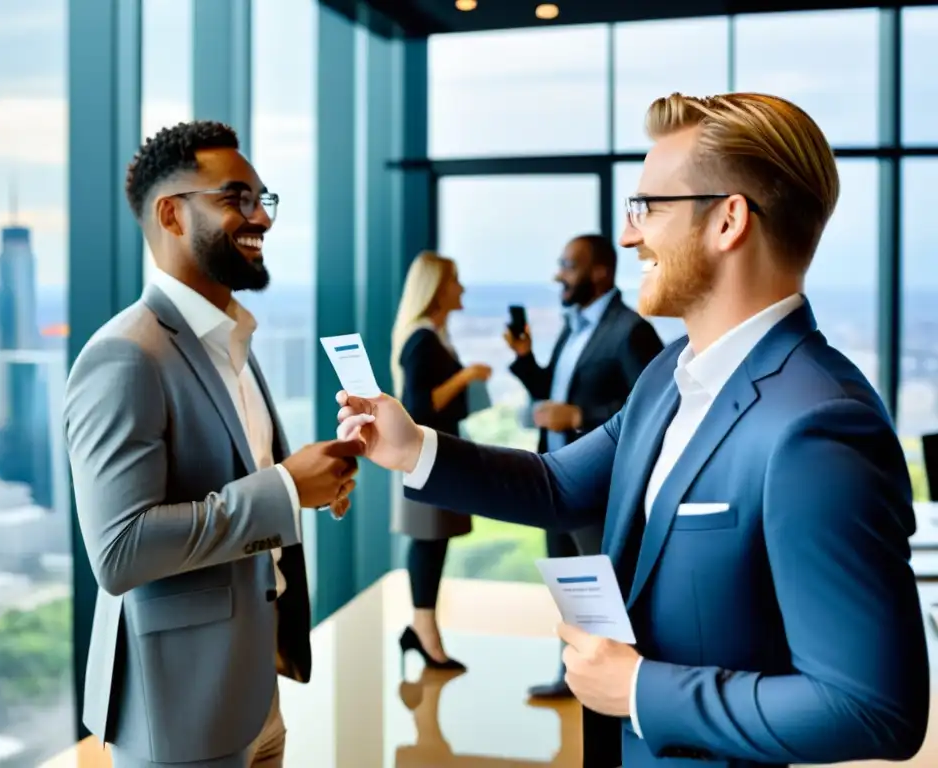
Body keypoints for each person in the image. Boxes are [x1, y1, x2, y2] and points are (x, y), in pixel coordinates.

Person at [336, 92, 930, 768]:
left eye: (648, 206)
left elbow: (873, 708)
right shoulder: (671, 372)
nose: (628, 234)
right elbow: (560, 484)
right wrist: (412, 447)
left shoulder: (820, 424)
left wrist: (642, 689)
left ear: (729, 219)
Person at [65, 120, 362, 768]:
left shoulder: (230, 340)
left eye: (264, 199)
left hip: (253, 689)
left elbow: (239, 482)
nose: (262, 217)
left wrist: (307, 479)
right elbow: (120, 551)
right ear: (171, 213)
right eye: (237, 198)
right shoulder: (124, 356)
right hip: (178, 708)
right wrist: (284, 489)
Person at [506, 234, 662, 699]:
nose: (559, 274)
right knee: (569, 589)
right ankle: (573, 677)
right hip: (555, 482)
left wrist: (579, 418)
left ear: (600, 272)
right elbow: (553, 391)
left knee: (603, 597)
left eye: (568, 265)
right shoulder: (574, 328)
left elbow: (652, 409)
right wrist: (525, 360)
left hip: (599, 489)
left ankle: (619, 688)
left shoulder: (630, 330)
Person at [390, 251, 491, 671]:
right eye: (455, 280)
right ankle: (424, 629)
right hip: (426, 458)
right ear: (436, 288)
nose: (461, 288)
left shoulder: (432, 336)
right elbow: (419, 406)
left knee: (434, 541)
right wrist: (466, 377)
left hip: (434, 456)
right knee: (429, 542)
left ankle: (423, 629)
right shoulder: (422, 339)